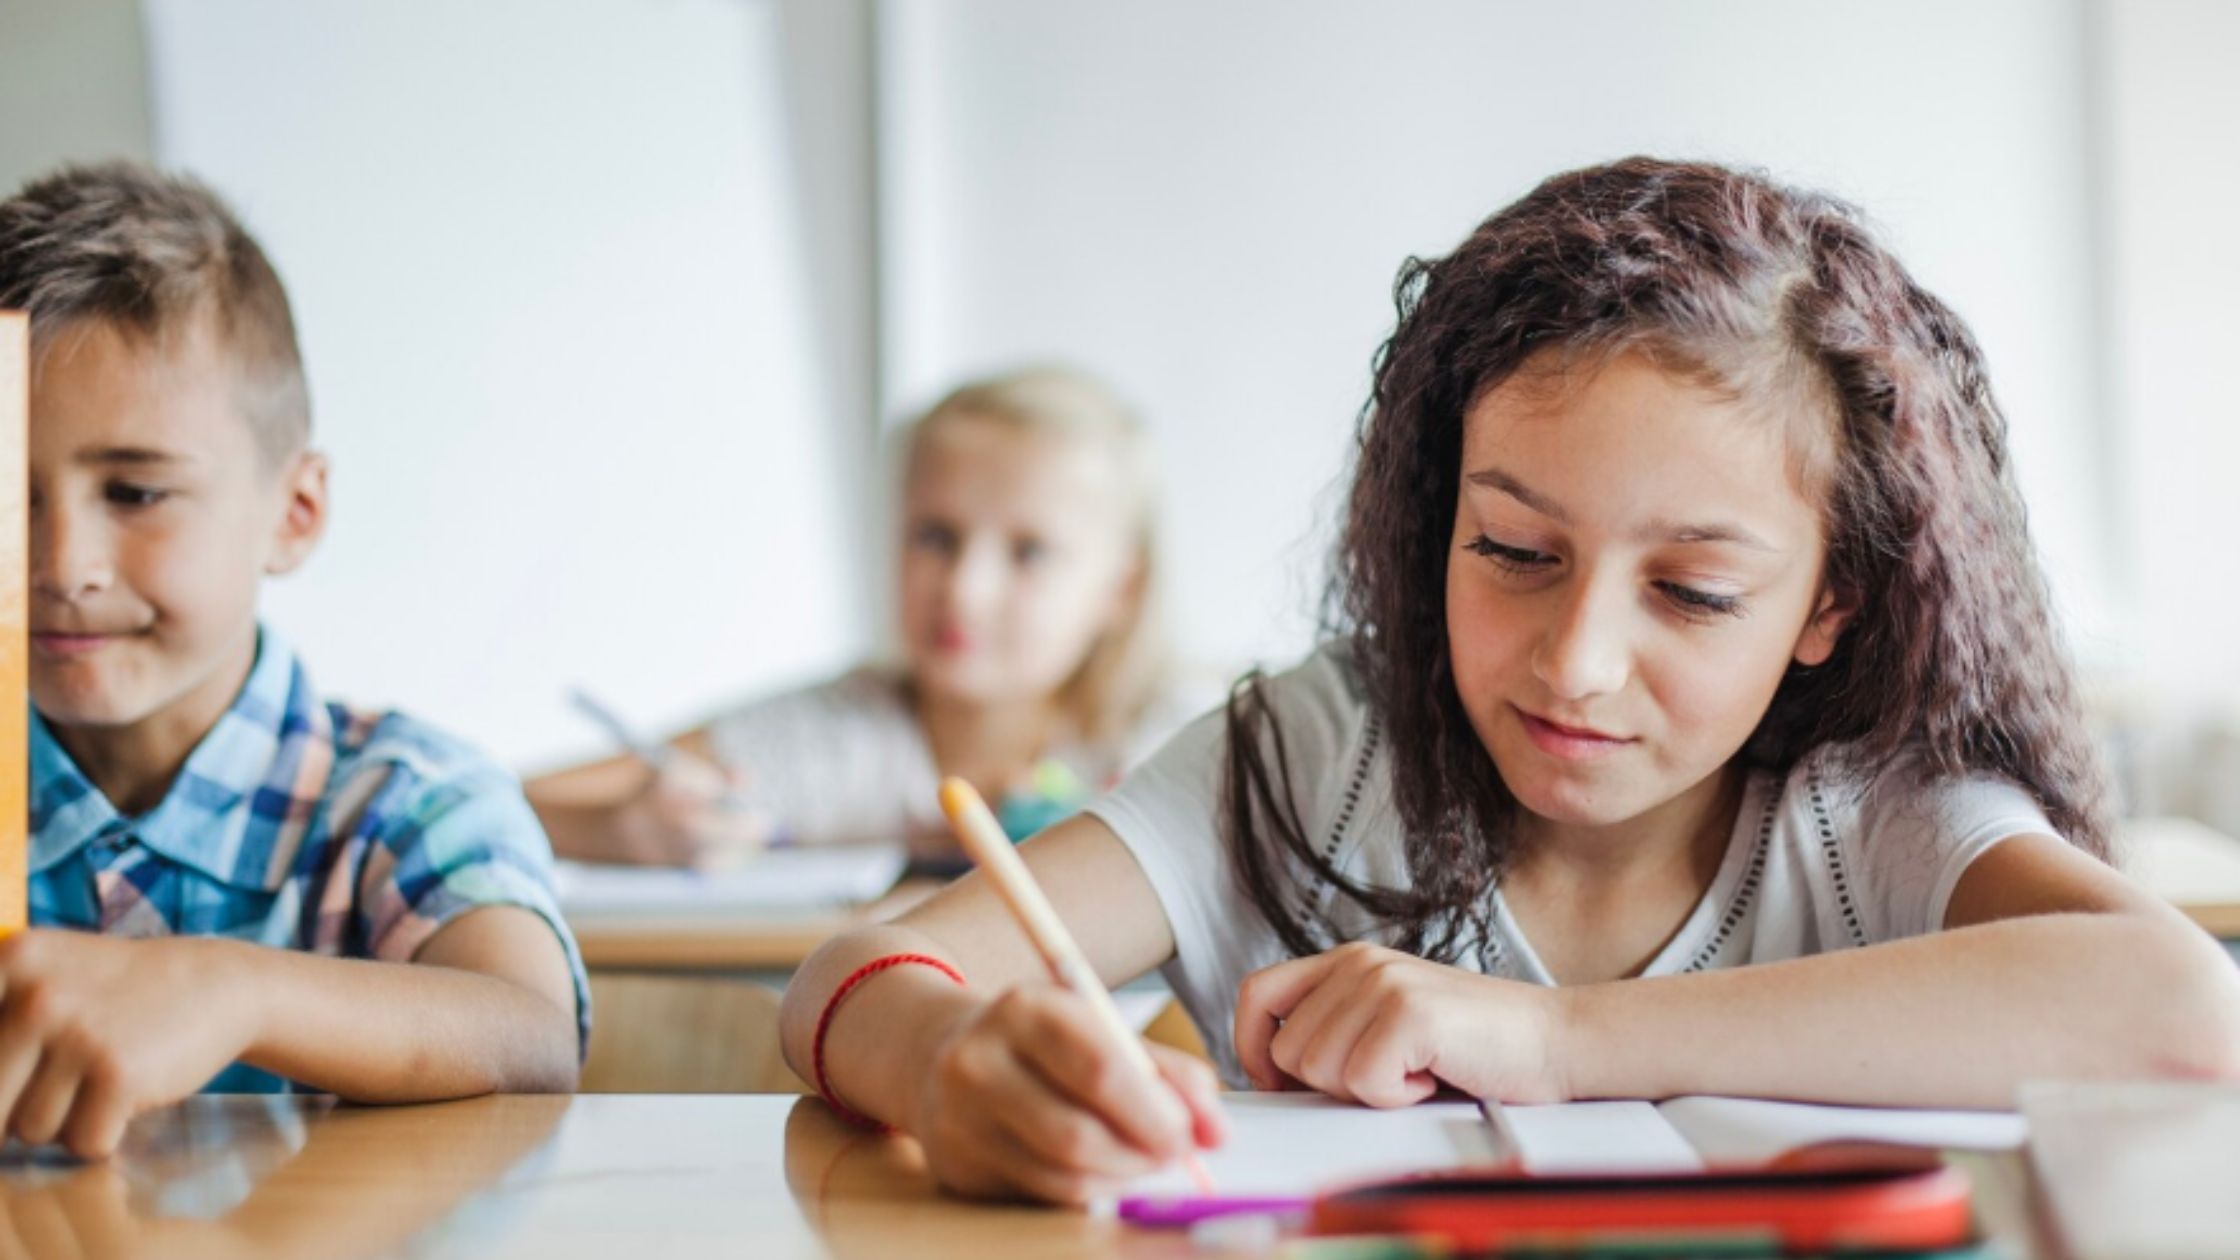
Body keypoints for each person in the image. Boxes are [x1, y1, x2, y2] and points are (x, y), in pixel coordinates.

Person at [777, 157, 2240, 1204]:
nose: (1578, 660)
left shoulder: (1875, 813)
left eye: (1694, 591)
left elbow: (2183, 1011)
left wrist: (1551, 1041)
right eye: (1514, 549)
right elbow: (850, 980)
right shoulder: (1313, 755)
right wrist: (949, 1062)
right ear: (1438, 525)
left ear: (1828, 604)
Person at [0, 162, 588, 1157]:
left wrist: (228, 987)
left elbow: (528, 1033)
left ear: (294, 511)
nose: (63, 565)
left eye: (136, 493)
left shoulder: (403, 797)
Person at [527, 365, 1193, 867]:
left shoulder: (1183, 744)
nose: (964, 589)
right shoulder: (828, 738)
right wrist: (613, 830)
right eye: (935, 537)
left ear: (1122, 589)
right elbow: (487, 806)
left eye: (1029, 552)